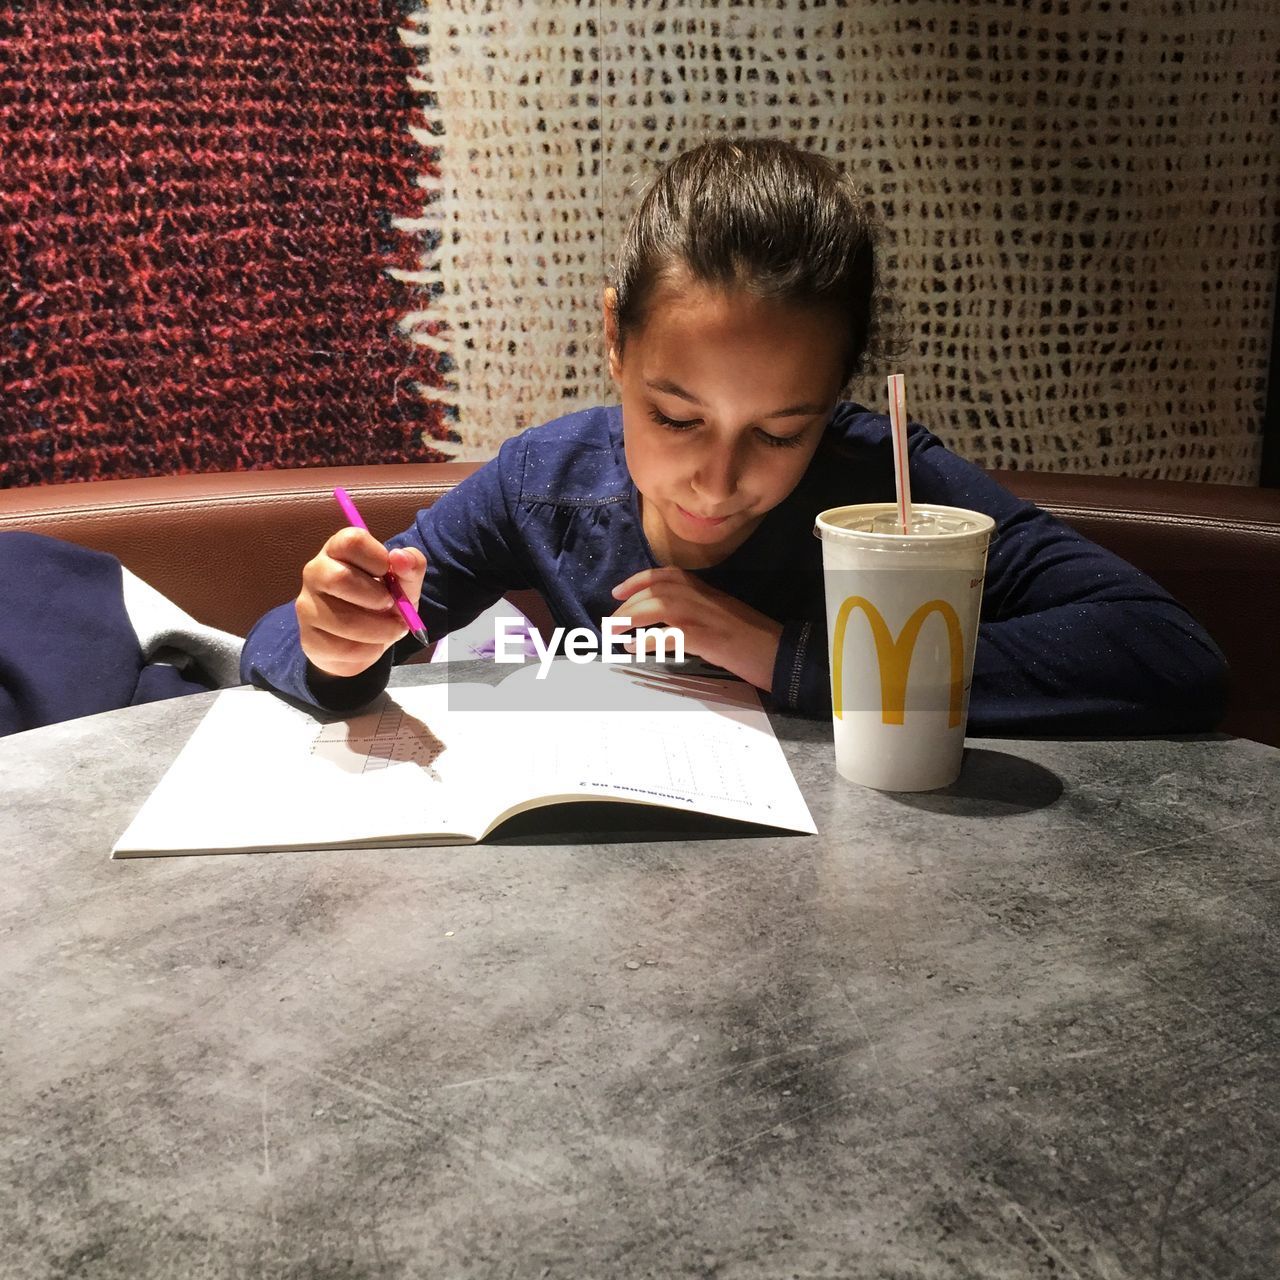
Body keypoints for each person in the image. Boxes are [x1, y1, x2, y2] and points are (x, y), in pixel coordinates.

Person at [241, 138, 1226, 734]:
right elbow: (275, 646)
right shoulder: (545, 484)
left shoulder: (884, 486)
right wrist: (338, 640)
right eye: (674, 417)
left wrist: (788, 658)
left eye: (781, 430)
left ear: (836, 400)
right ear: (614, 342)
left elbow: (1167, 655)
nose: (715, 482)